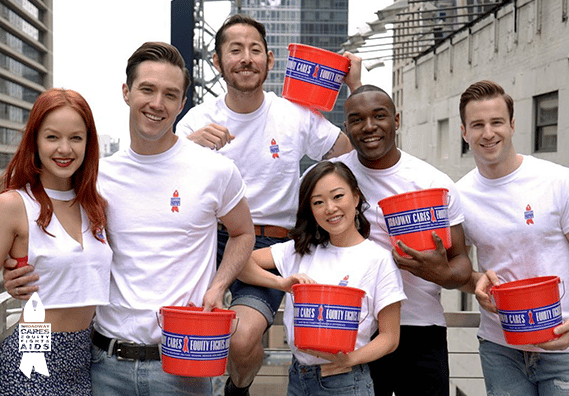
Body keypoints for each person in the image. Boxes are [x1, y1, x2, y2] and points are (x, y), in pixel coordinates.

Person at [4, 42, 256, 396]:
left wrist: (219, 285)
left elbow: (243, 232)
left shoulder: (215, 170)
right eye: (147, 89)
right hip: (102, 364)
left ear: (182, 104)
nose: (157, 103)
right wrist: (13, 274)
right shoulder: (94, 178)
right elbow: (43, 222)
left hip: (182, 364)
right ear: (126, 92)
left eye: (170, 94)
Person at [175, 14, 360, 396]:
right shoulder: (197, 120)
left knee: (242, 341)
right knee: (178, 329)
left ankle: (238, 388)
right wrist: (187, 147)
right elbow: (164, 181)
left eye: (255, 50)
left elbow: (352, 154)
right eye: (235, 50)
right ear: (217, 61)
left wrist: (353, 88)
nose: (246, 58)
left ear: (270, 60)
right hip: (206, 243)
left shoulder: (293, 114)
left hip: (269, 248)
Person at [331, 84, 472, 396]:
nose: (369, 127)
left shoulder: (433, 182)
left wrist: (442, 274)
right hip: (354, 328)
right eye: (357, 119)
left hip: (421, 328)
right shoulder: (331, 180)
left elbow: (462, 262)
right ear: (346, 128)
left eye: (379, 116)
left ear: (396, 120)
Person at [237, 160, 406, 395]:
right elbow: (239, 263)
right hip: (298, 378)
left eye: (338, 197)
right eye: (318, 202)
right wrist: (280, 283)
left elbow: (390, 337)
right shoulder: (300, 250)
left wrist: (350, 360)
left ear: (356, 198)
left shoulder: (378, 259)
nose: (330, 208)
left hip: (345, 381)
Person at [456, 80, 569, 395]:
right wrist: (477, 282)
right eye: (477, 124)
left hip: (562, 343)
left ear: (513, 125)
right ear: (464, 132)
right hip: (500, 346)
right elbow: (460, 271)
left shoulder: (558, 181)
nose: (488, 133)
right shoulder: (459, 195)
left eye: (496, 122)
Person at [0, 88, 112, 395]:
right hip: (32, 353)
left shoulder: (96, 206)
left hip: (85, 357)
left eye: (76, 137)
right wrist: (9, 282)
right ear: (35, 141)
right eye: (52, 137)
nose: (65, 149)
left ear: (89, 143)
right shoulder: (13, 204)